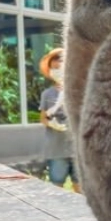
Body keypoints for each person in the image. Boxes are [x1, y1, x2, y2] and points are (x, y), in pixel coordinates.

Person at [39, 48, 80, 193]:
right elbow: (43, 118)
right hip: (56, 149)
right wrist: (51, 124)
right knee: (57, 188)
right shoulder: (47, 94)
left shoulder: (79, 91)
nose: (58, 67)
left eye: (61, 63)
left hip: (78, 150)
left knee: (81, 189)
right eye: (54, 65)